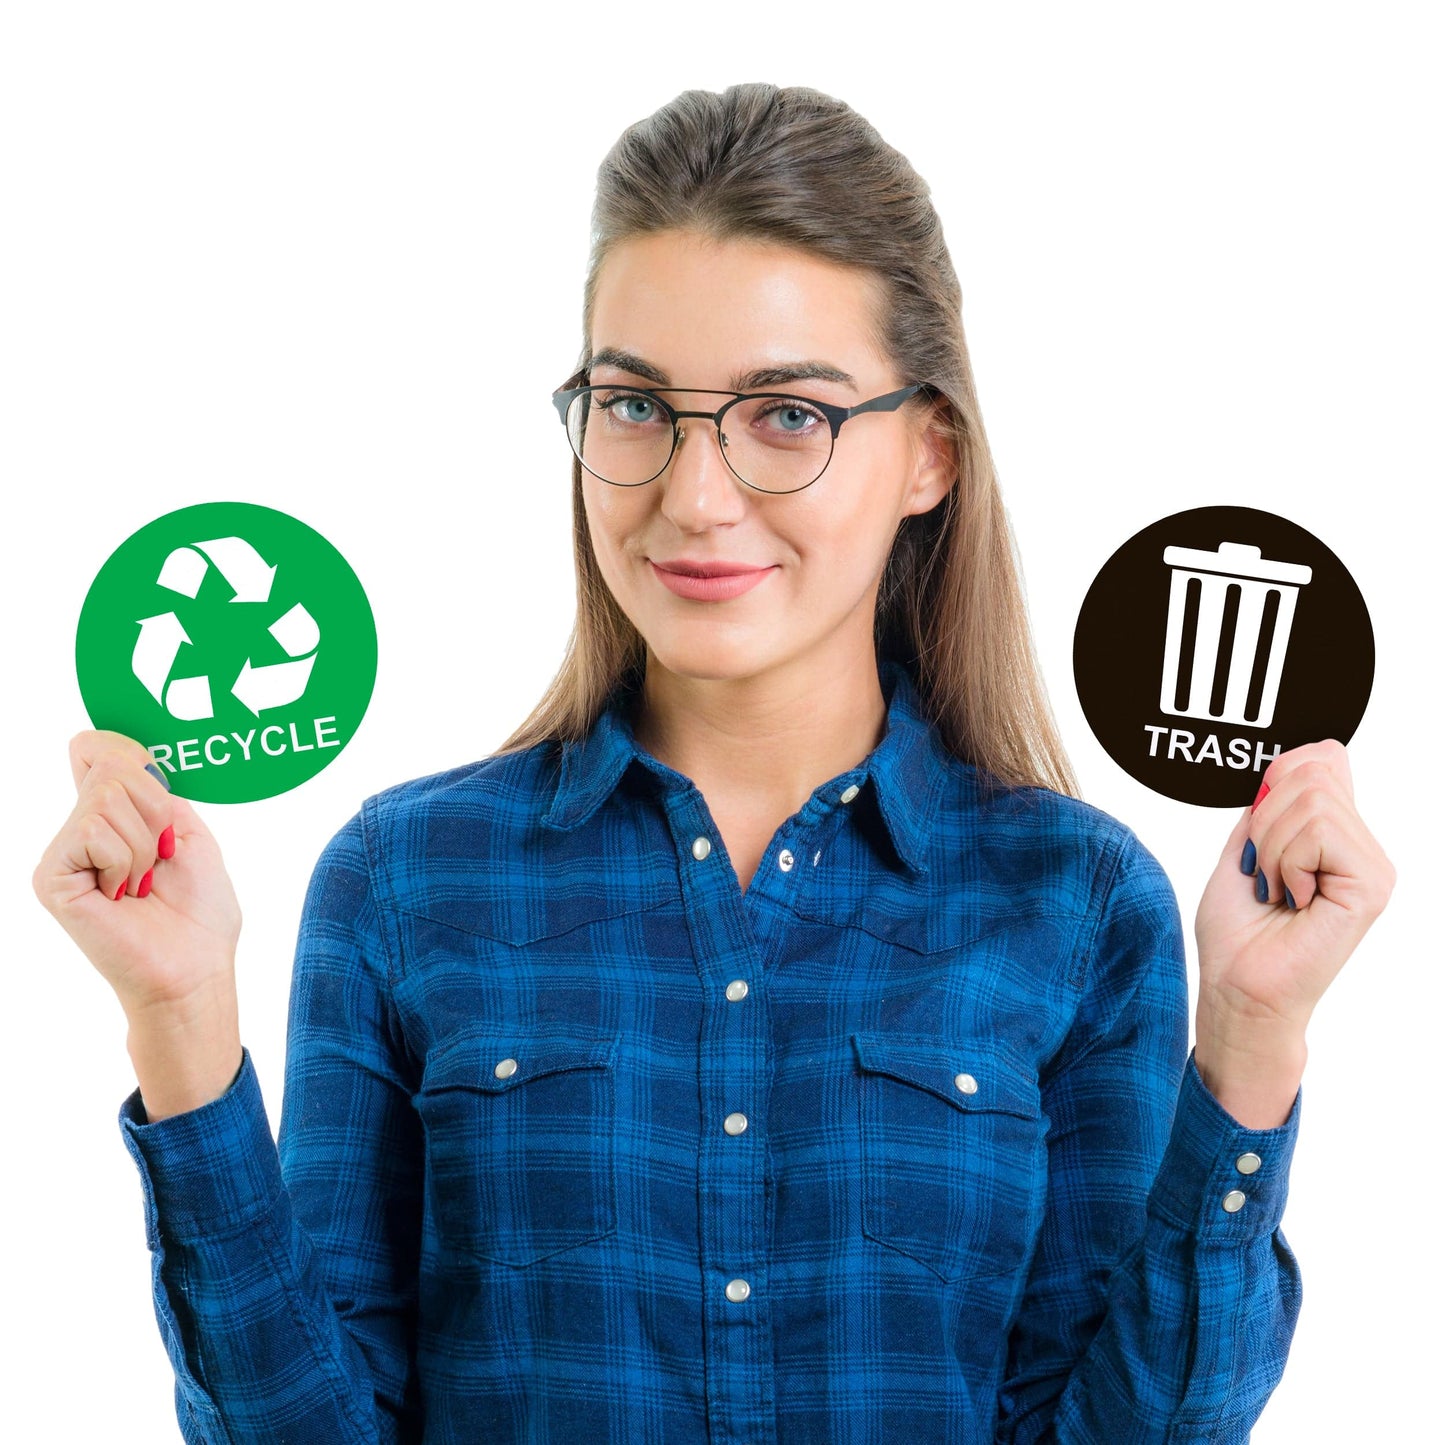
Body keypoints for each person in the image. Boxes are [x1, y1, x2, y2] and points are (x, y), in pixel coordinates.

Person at [34, 82, 1394, 1444]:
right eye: (634, 405)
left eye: (785, 416)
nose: (691, 494)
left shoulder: (1077, 901)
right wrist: (181, 1016)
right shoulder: (406, 880)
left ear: (926, 452)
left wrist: (1253, 1039)